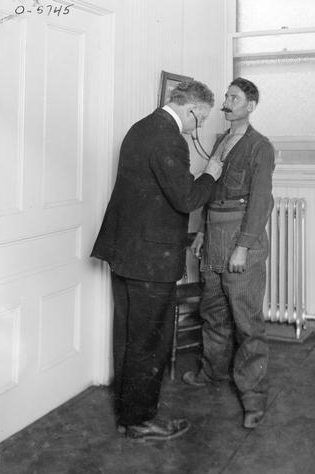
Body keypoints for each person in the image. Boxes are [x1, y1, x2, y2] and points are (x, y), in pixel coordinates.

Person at [91, 80, 223, 441]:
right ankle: (141, 421)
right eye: (203, 117)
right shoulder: (170, 138)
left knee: (130, 336)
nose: (200, 125)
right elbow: (186, 198)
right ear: (192, 108)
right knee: (150, 341)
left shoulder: (139, 127)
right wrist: (210, 174)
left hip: (125, 254)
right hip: (151, 260)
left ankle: (127, 414)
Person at [181, 77, 275, 430]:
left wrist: (243, 247)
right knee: (214, 313)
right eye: (226, 96)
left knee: (247, 323)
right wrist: (204, 232)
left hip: (240, 242)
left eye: (234, 97)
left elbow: (261, 201)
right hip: (215, 236)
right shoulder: (221, 141)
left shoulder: (259, 146)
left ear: (250, 106)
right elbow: (211, 190)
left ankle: (254, 398)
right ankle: (212, 373)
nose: (226, 102)